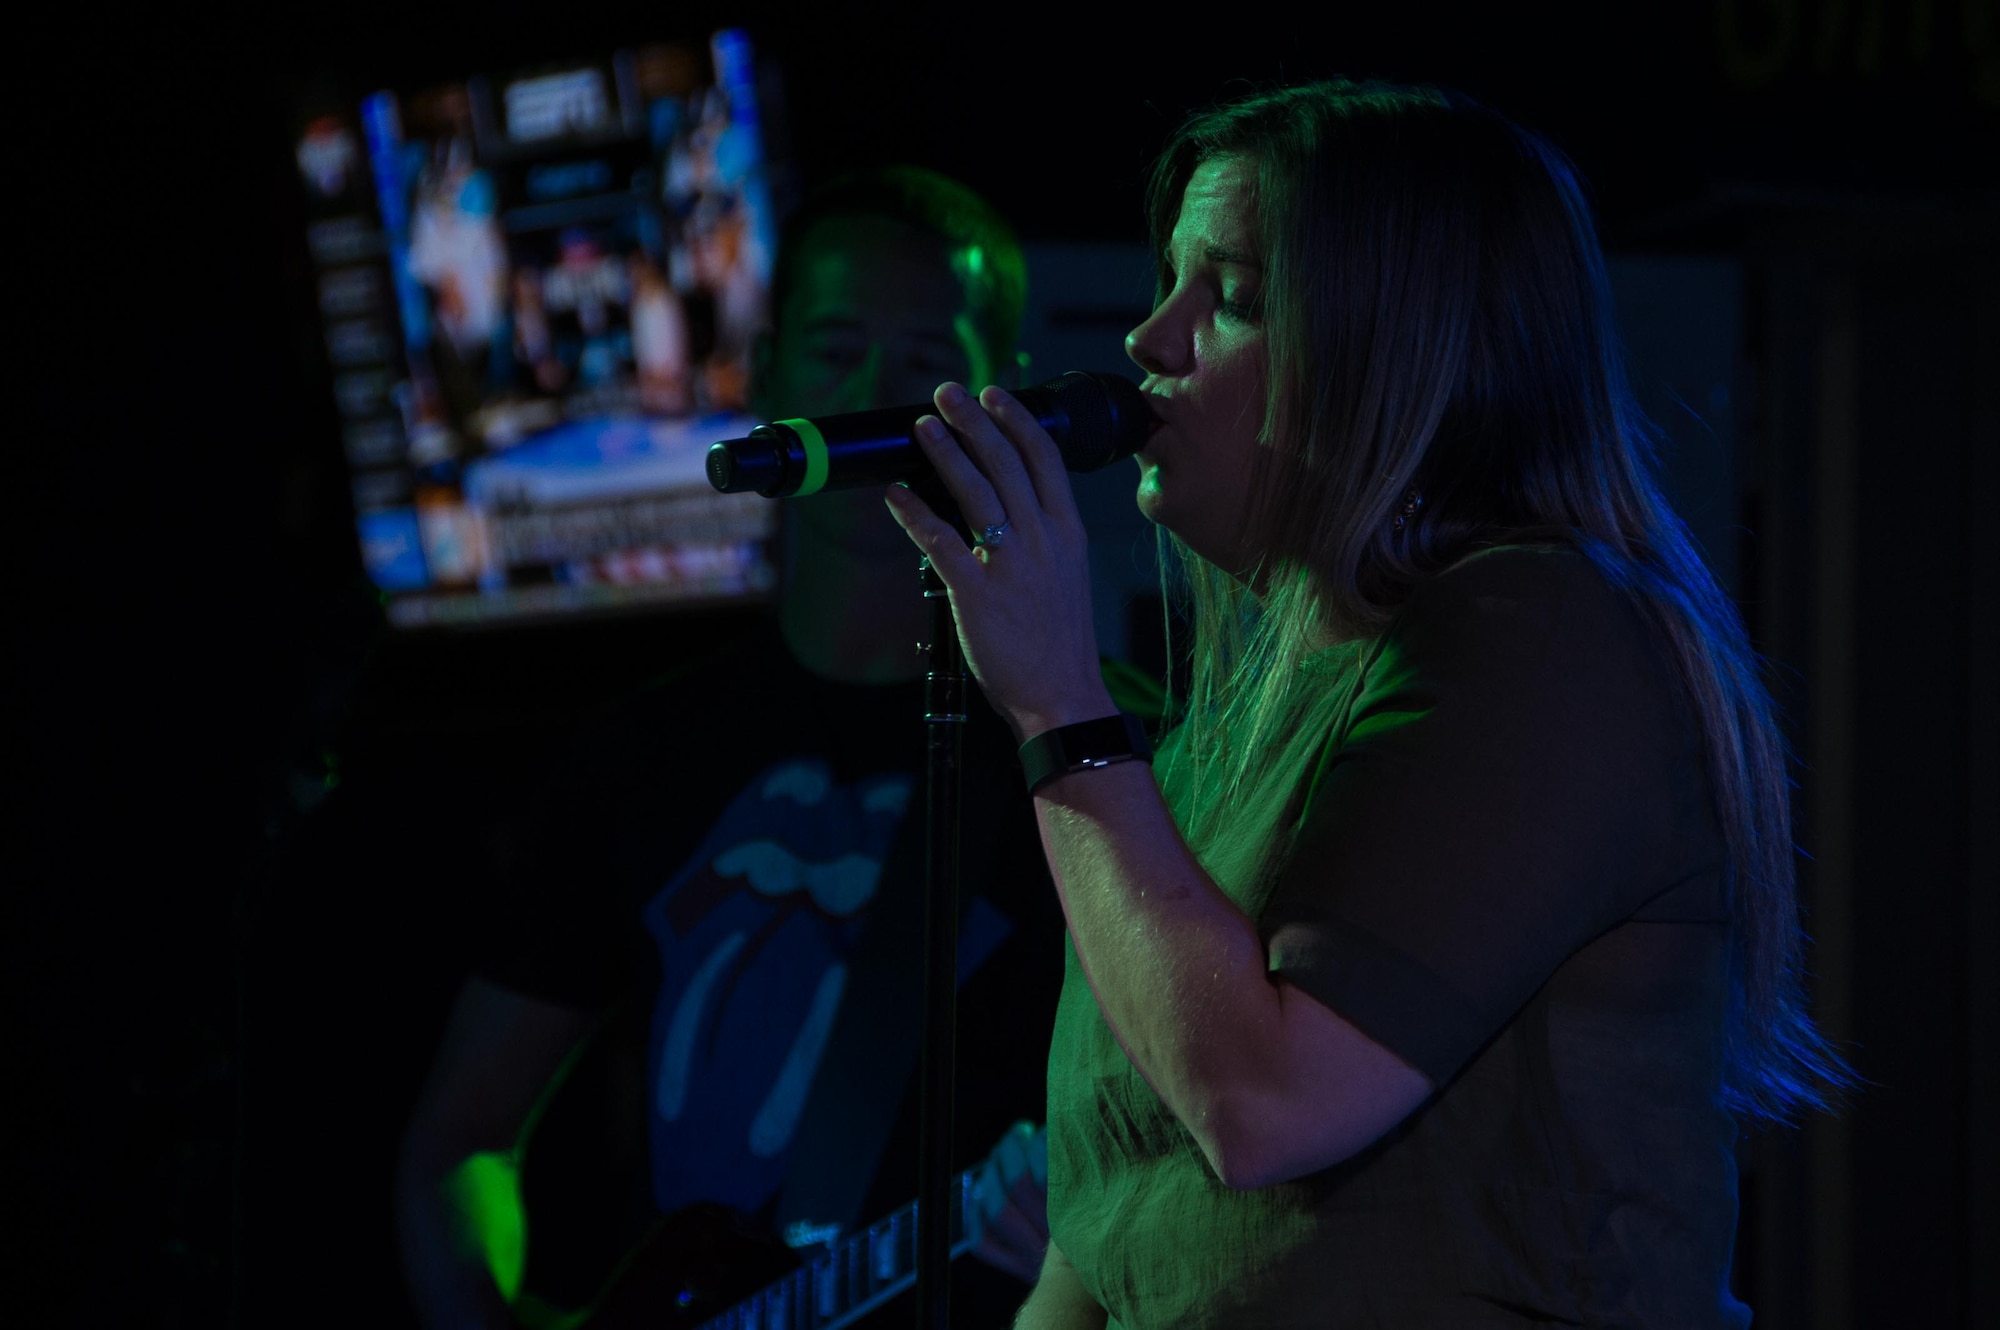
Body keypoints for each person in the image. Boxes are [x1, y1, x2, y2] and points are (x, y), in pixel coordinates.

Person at [883, 83, 1851, 1328]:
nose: (1147, 341)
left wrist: (1059, 709)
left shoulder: (1543, 633)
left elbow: (1266, 1102)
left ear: (1392, 350)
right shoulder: (1221, 745)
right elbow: (1119, 1228)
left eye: (1224, 295)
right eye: (1167, 281)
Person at [396, 167, 1068, 1329]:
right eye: (834, 345)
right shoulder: (638, 750)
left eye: (921, 359)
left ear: (996, 393)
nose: (871, 395)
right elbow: (461, 1137)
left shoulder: (1102, 749)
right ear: (762, 376)